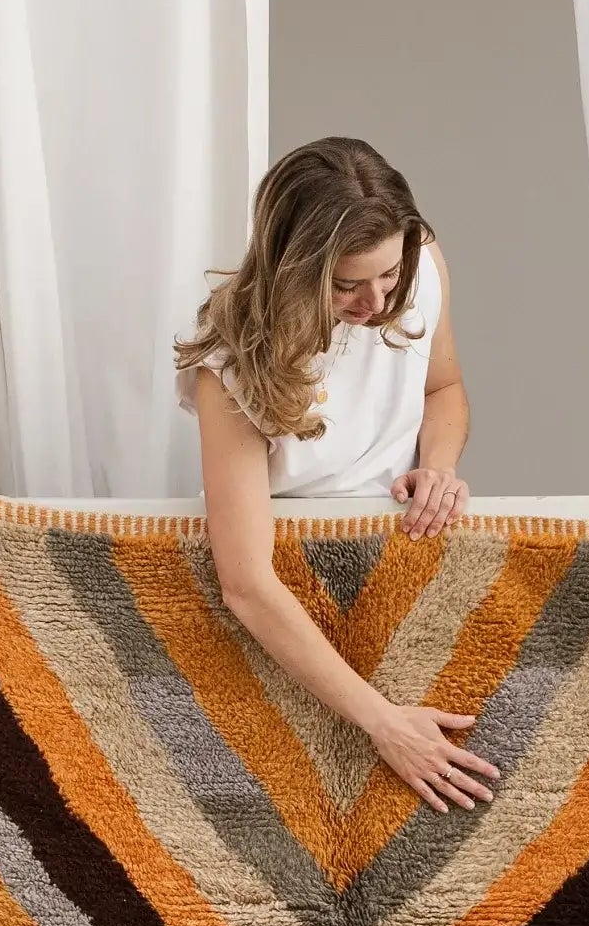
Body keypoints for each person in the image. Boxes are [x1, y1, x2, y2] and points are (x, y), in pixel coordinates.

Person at [177, 135, 500, 813]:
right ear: (290, 267)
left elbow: (443, 389)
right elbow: (246, 583)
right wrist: (385, 724)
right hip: (291, 606)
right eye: (346, 285)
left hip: (400, 566)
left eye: (389, 277)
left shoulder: (420, 262)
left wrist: (437, 468)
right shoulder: (230, 364)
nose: (376, 301)